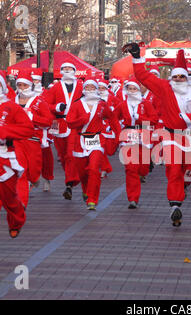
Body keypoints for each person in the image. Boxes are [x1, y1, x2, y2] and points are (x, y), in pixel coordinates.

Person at [125, 43, 191, 226]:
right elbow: (143, 76)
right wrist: (136, 56)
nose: (179, 79)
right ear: (171, 78)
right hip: (172, 137)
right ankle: (175, 205)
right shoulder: (165, 88)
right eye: (176, 76)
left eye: (183, 76)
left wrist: (190, 116)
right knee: (173, 170)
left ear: (188, 77)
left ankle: (183, 187)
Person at [66, 77, 120, 210]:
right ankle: (86, 190)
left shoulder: (102, 104)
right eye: (87, 87)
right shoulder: (77, 104)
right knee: (83, 172)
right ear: (83, 90)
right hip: (80, 141)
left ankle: (92, 199)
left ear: (96, 89)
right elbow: (70, 122)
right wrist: (81, 120)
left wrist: (119, 135)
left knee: (94, 169)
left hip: (96, 140)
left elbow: (112, 118)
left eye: (93, 87)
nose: (90, 90)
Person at [0, 71, 35, 238]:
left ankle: (16, 220)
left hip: (5, 157)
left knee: (9, 198)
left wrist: (4, 131)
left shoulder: (11, 107)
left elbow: (28, 129)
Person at [42, 61, 83, 200]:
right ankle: (71, 179)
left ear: (74, 70)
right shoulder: (55, 87)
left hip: (74, 124)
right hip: (58, 123)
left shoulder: (82, 87)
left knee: (71, 154)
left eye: (69, 68)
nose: (66, 70)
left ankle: (69, 184)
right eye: (64, 68)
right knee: (62, 155)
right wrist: (56, 107)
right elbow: (46, 104)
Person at [115, 78, 158, 208]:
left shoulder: (146, 104)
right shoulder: (122, 105)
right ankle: (133, 199)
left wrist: (140, 118)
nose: (132, 91)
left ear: (139, 90)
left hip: (143, 136)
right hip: (128, 136)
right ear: (126, 90)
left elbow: (154, 119)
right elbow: (113, 118)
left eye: (134, 89)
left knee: (142, 168)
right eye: (129, 89)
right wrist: (118, 130)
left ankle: (143, 172)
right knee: (130, 168)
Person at [14, 70, 53, 207]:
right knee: (21, 170)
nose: (22, 88)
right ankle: (21, 202)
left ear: (30, 85)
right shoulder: (11, 101)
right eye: (19, 85)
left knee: (33, 171)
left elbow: (48, 121)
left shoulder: (38, 101)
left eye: (25, 85)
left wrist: (32, 117)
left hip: (33, 140)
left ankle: (34, 179)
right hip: (15, 140)